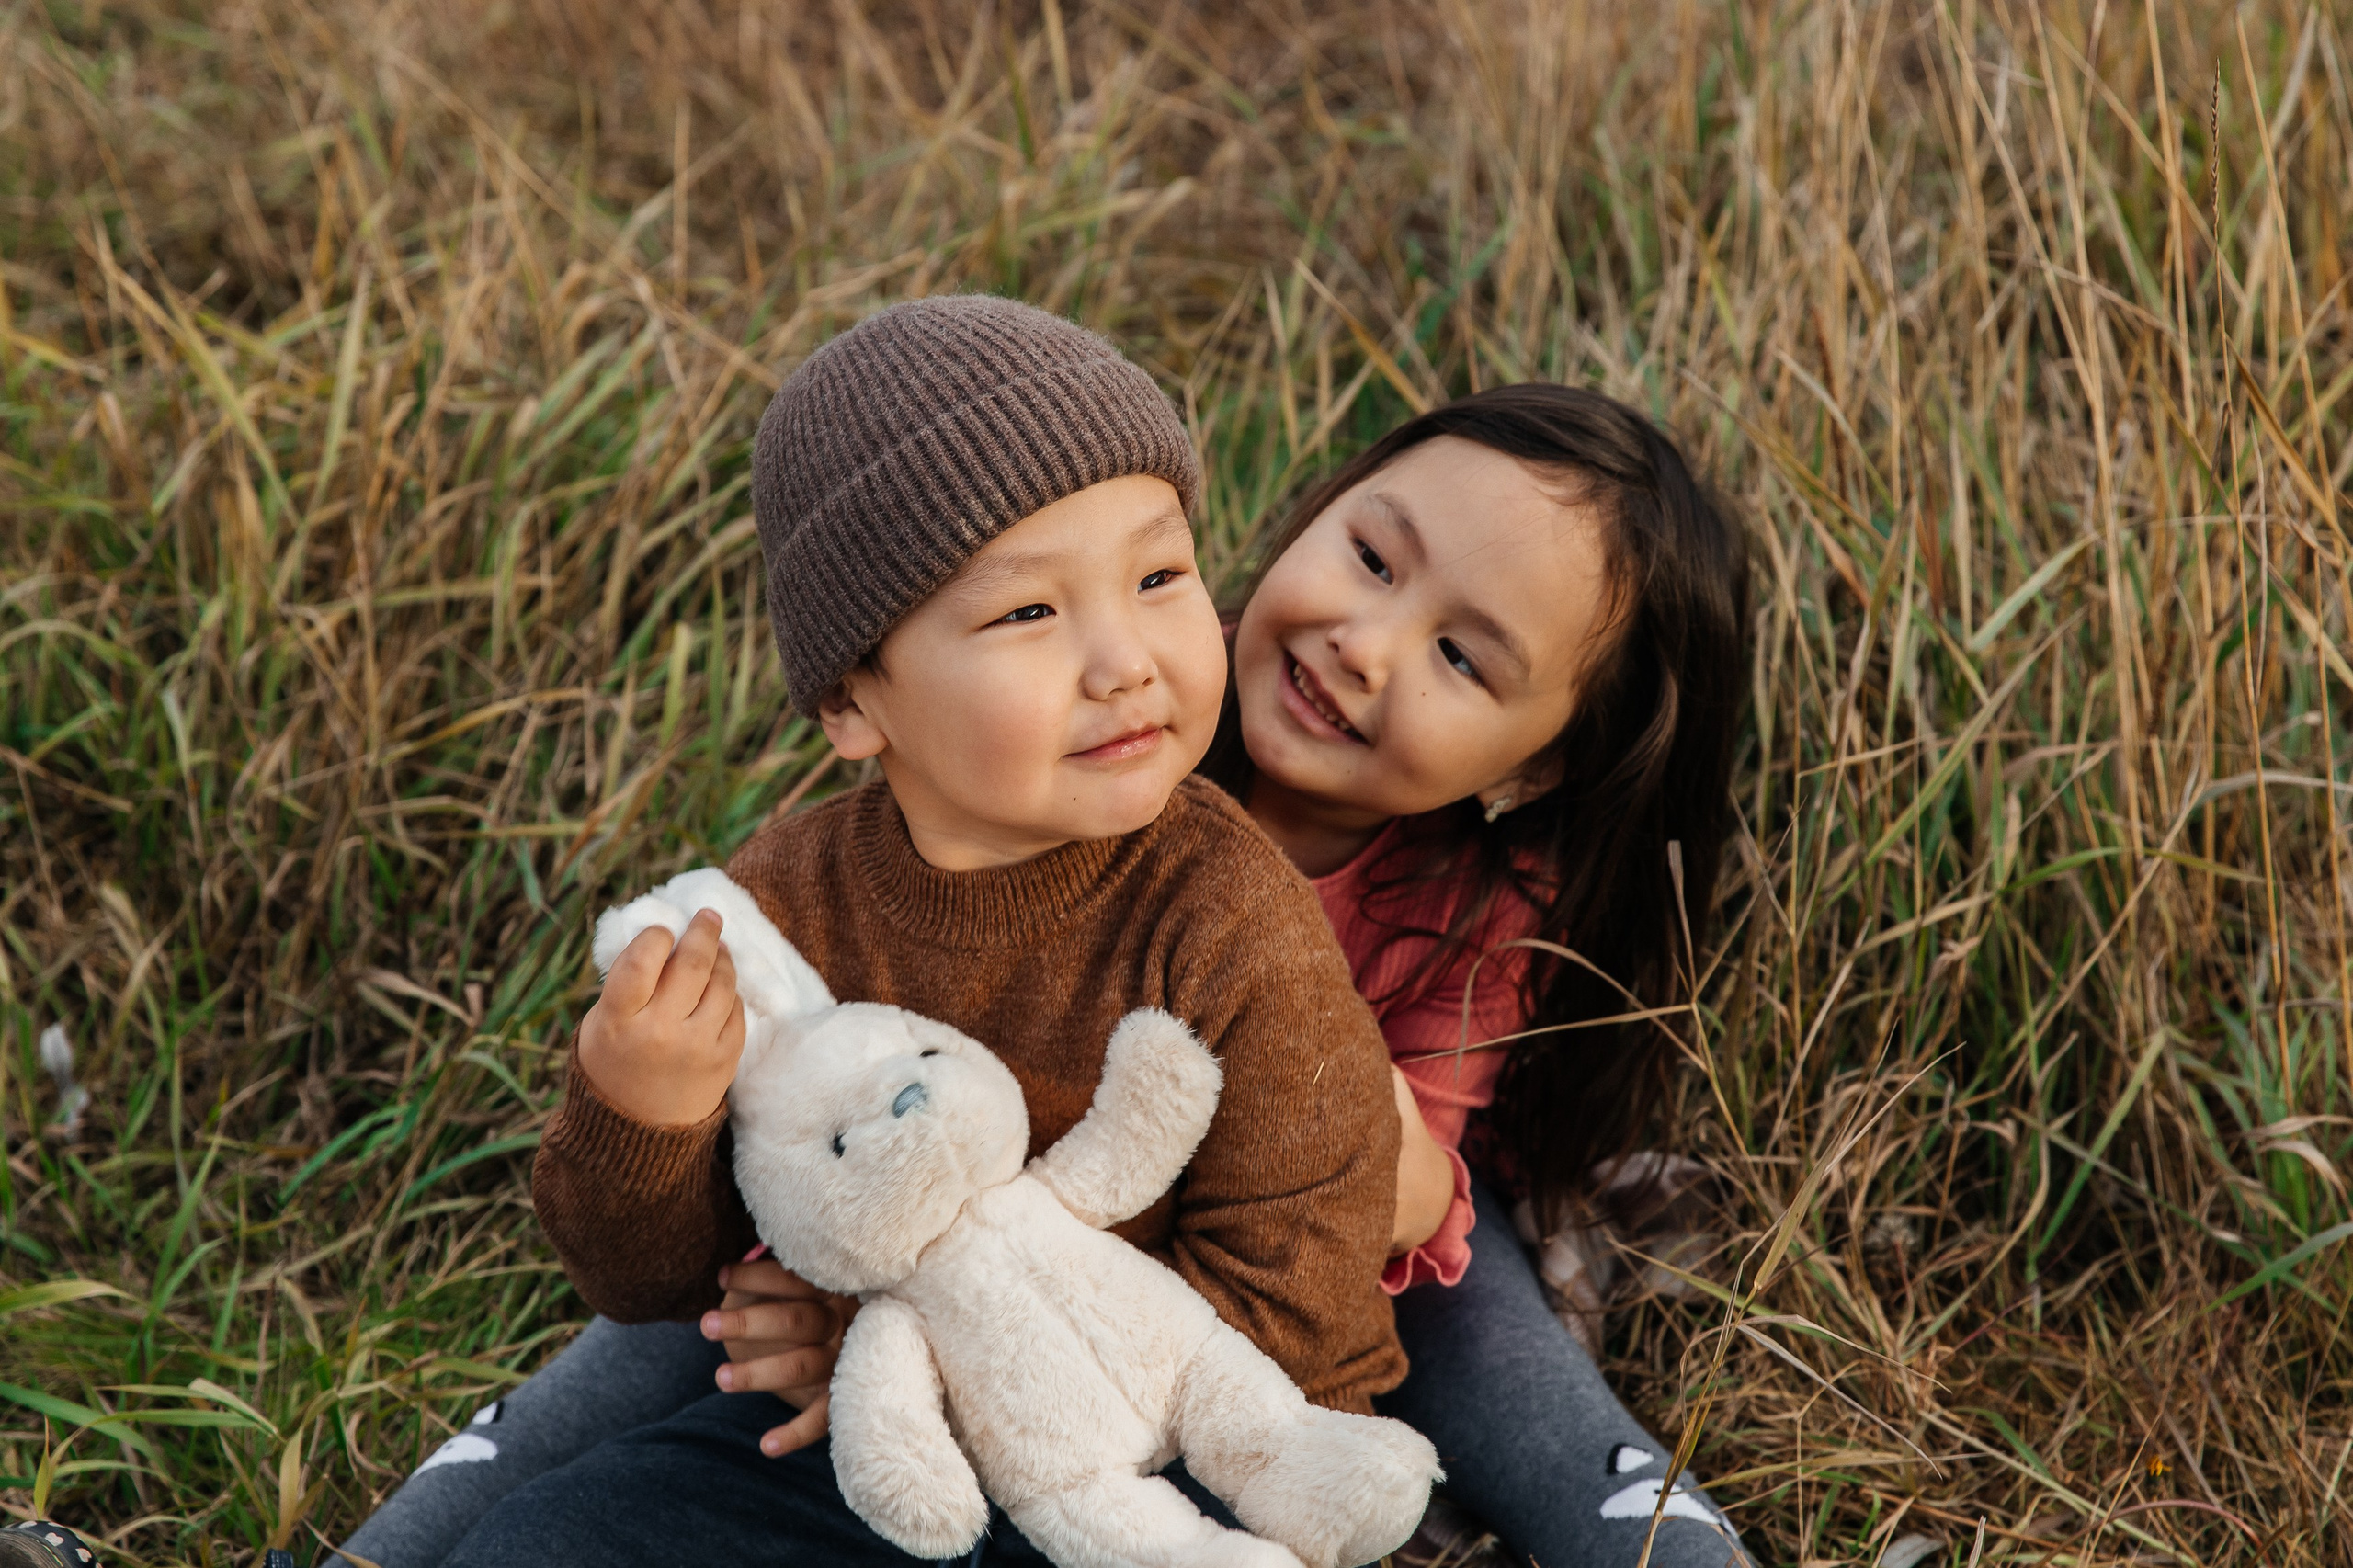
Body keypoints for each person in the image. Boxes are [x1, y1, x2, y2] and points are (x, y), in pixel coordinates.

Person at [336, 376, 1754, 1568]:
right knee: (675, 1339)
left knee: (1513, 1374)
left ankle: (1662, 1538)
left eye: (1459, 654)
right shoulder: (1090, 734)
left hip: (1320, 1247)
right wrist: (840, 1277)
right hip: (969, 1191)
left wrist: (1411, 1178)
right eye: (1371, 560)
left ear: (1540, 761)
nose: (1363, 645)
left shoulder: (1471, 909)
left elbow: (1366, 1209)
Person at [425, 294, 1410, 1566]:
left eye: (1160, 577)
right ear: (851, 700)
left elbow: (1303, 1314)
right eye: (1029, 614)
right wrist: (644, 1110)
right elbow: (652, 1283)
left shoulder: (1228, 915)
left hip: (1169, 1467)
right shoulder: (789, 905)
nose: (1125, 660)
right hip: (858, 1434)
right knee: (559, 1536)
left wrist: (962, 1366)